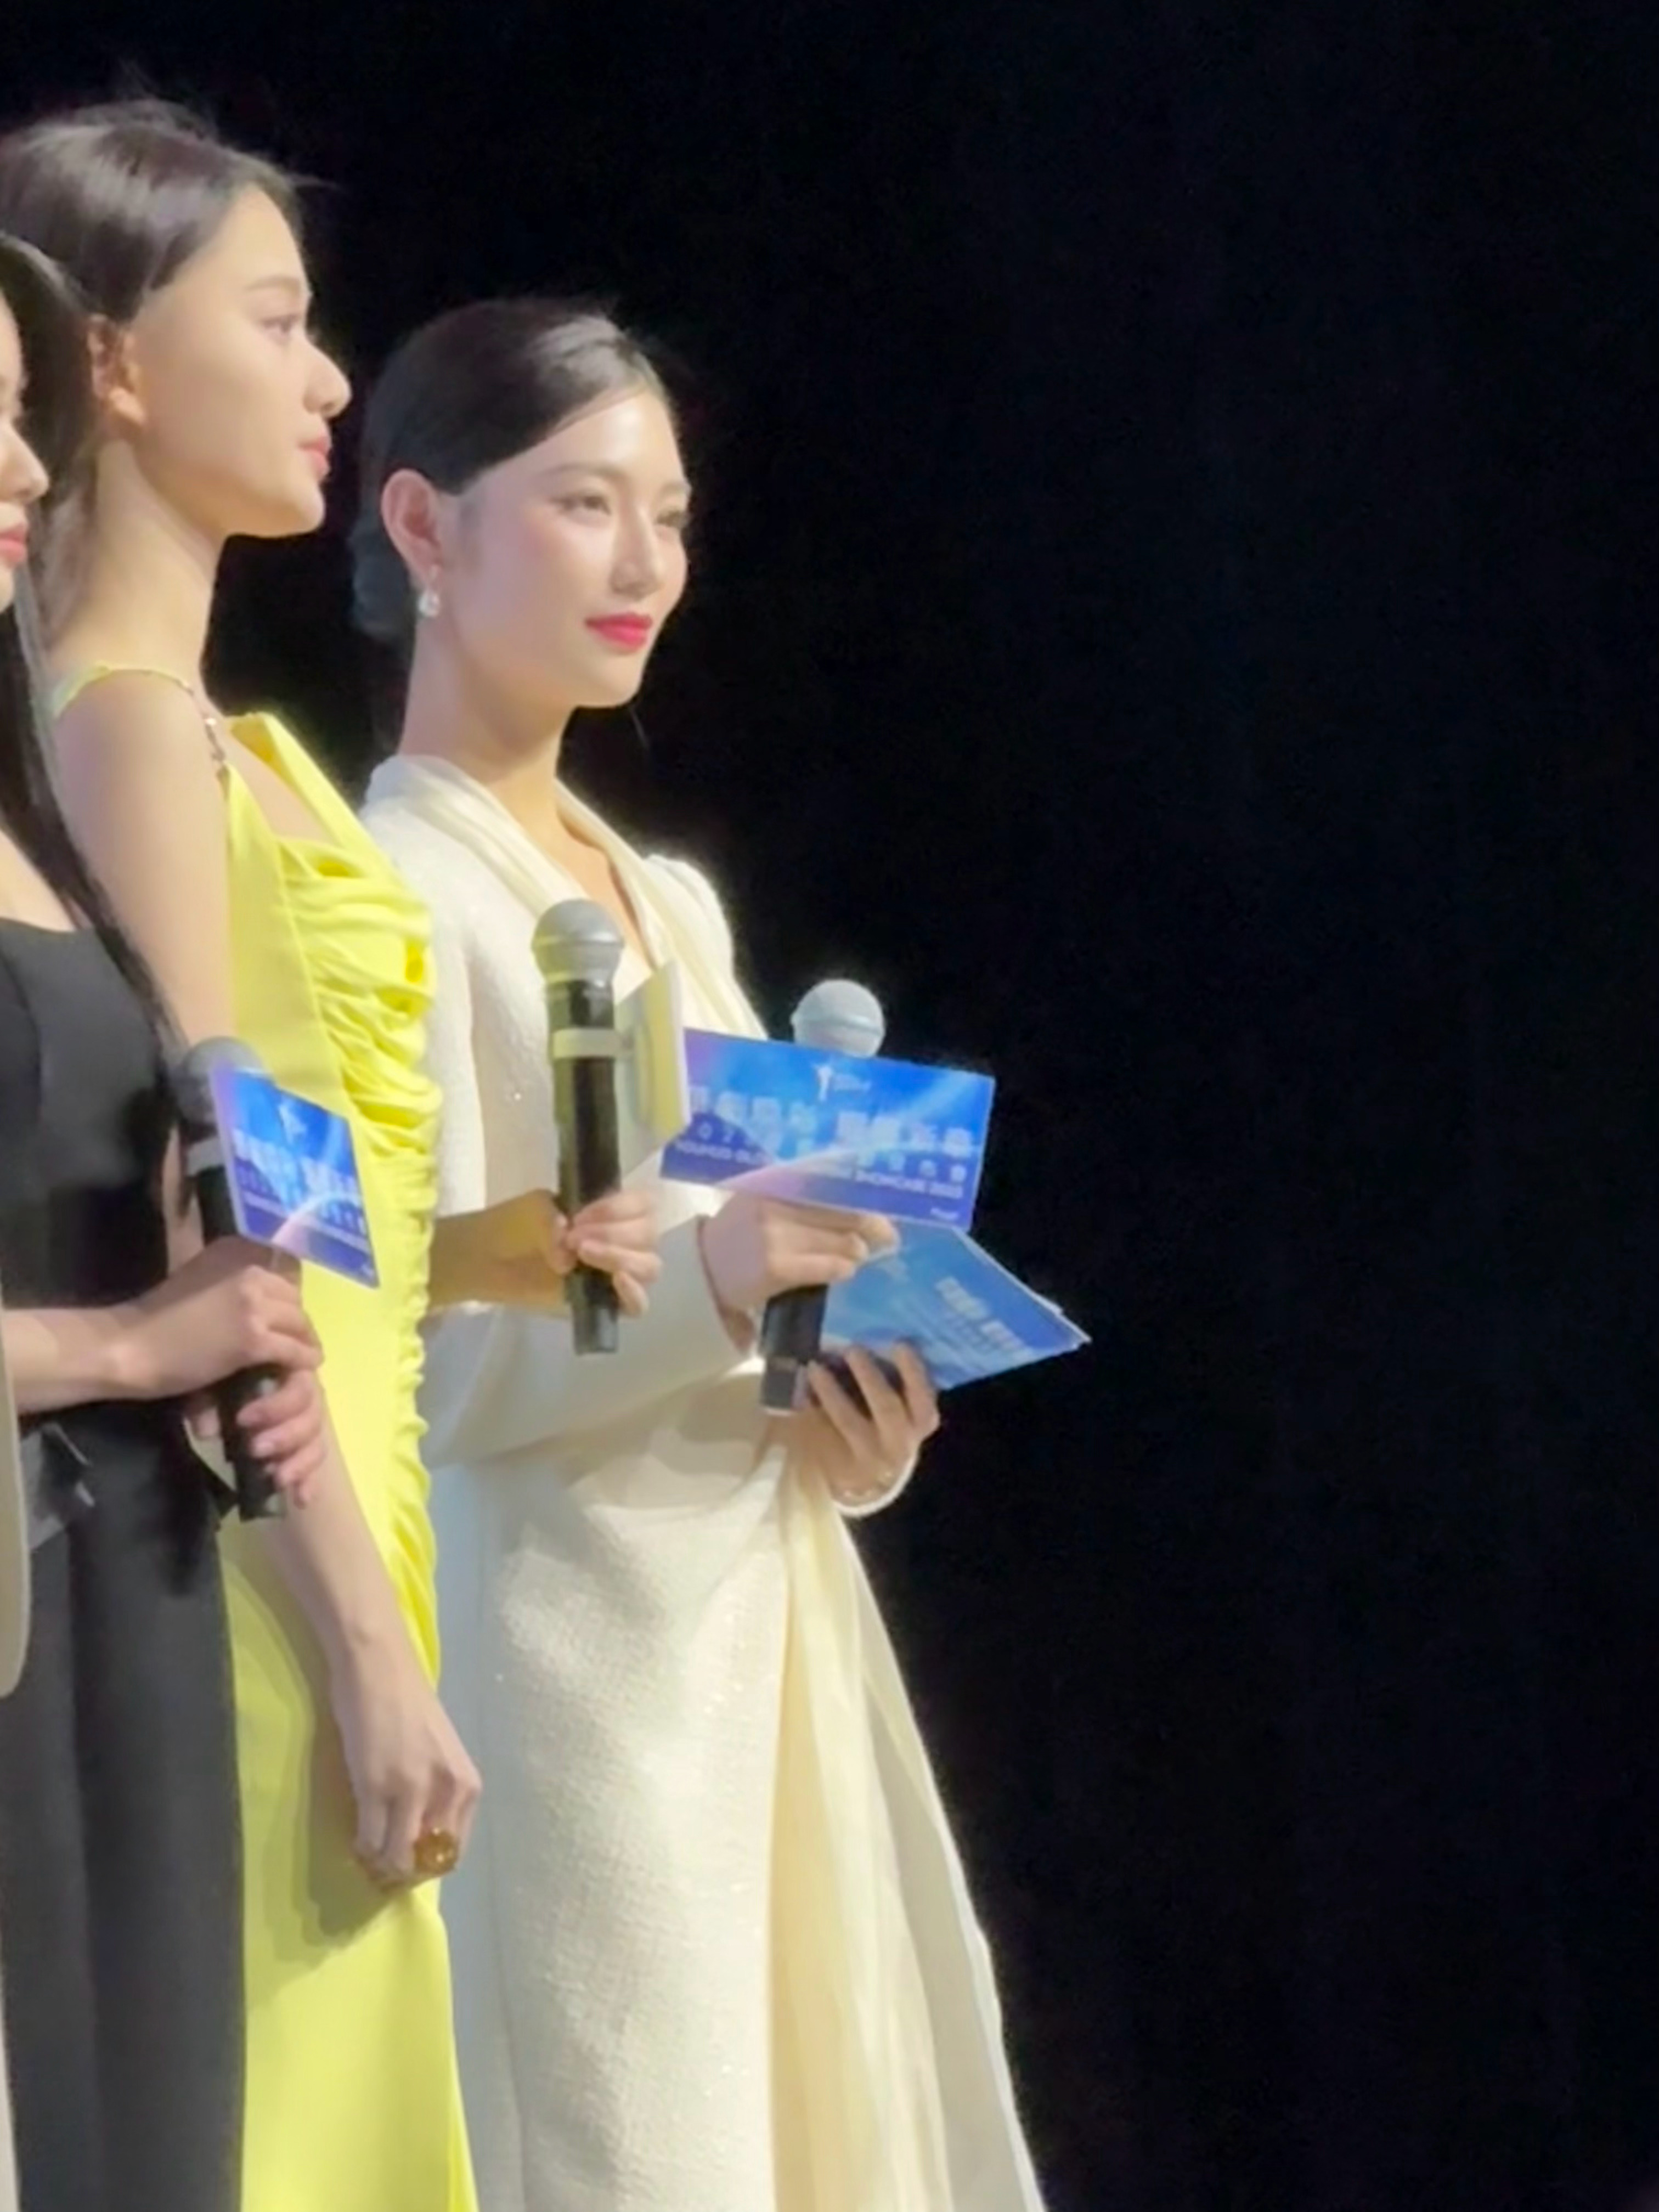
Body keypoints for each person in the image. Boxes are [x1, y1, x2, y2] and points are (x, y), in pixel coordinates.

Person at [0, 101, 649, 2212]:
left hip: (334, 1478)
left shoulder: (209, 734)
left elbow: (285, 1196)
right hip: (260, 1533)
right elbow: (189, 1219)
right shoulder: (116, 723)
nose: (328, 376)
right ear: (113, 364)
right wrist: (360, 1642)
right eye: (274, 322)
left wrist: (502, 1250)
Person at [360, 297, 1046, 2212]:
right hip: (572, 1670)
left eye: (667, 514)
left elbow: (731, 1303)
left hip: (761, 1630)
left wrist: (843, 1407)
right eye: (585, 503)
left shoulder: (664, 897)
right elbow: (408, 1341)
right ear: (423, 526)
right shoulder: (390, 886)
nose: (645, 564)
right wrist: (717, 1281)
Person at [0, 229, 331, 2210]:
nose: (26, 471)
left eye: (20, 418)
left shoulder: (30, 813)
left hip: (134, 1578)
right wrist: (129, 1343)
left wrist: (218, 1327)